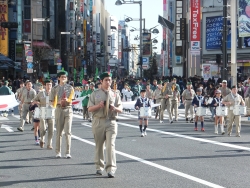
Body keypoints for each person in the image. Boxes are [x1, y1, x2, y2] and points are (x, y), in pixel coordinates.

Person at [88, 72, 123, 178]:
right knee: (99, 146)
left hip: (111, 121)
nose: (108, 82)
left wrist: (114, 108)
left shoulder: (115, 93)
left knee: (110, 145)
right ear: (101, 81)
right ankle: (99, 166)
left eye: (110, 80)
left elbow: (120, 109)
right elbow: (89, 109)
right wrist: (98, 106)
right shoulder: (95, 93)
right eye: (106, 80)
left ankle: (111, 168)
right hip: (98, 121)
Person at [50, 70, 74, 158]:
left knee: (68, 131)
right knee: (59, 132)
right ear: (59, 78)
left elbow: (72, 99)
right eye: (62, 77)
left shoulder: (70, 88)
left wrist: (67, 100)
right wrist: (58, 102)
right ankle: (58, 151)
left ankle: (67, 152)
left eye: (65, 77)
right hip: (59, 109)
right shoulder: (54, 89)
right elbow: (51, 102)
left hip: (68, 109)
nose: (64, 79)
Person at [32, 78, 54, 149]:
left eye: (50, 85)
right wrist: (37, 102)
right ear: (45, 86)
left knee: (51, 129)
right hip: (43, 111)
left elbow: (58, 101)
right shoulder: (41, 93)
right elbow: (34, 100)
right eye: (47, 85)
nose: (49, 86)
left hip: (51, 111)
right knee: (43, 128)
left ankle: (49, 144)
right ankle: (42, 139)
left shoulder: (54, 93)